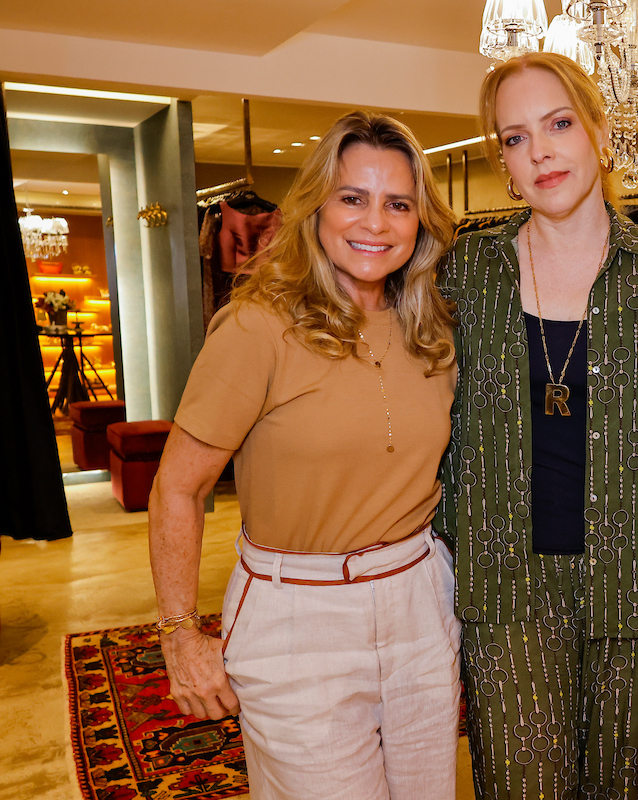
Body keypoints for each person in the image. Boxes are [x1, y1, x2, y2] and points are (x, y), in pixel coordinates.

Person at [148, 111, 461, 800]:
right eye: (353, 198)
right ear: (317, 206)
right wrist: (179, 635)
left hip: (418, 601)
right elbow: (177, 486)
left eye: (398, 204)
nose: (375, 223)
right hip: (299, 617)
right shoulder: (257, 325)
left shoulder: (433, 326)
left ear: (420, 221)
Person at [437, 52, 638, 800]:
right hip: (506, 584)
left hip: (635, 578)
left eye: (558, 124)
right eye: (514, 138)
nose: (540, 151)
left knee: (618, 788)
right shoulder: (466, 272)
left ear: (600, 134)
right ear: (504, 164)